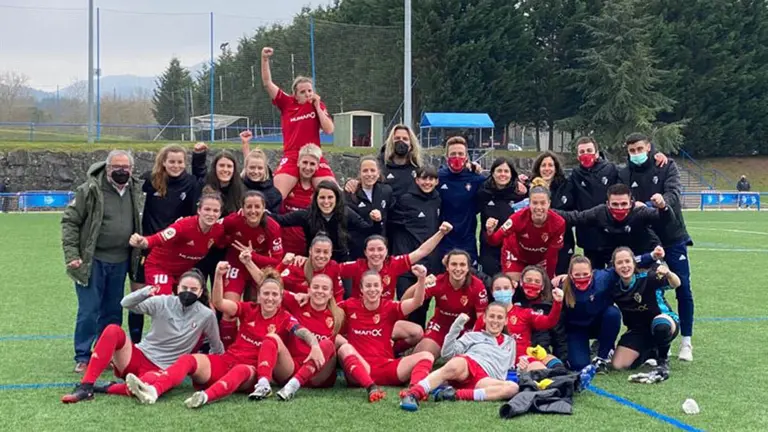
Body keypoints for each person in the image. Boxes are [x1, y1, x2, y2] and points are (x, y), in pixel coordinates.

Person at [125, 263, 325, 408]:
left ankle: (205, 397)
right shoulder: (249, 308)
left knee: (241, 369)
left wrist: (314, 344)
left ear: (281, 298)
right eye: (266, 293)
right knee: (189, 360)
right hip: (228, 360)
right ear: (258, 294)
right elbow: (220, 303)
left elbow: (302, 331)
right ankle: (154, 391)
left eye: (274, 295)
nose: (270, 298)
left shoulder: (284, 317)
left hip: (251, 371)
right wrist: (219, 276)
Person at [60, 269, 224, 403]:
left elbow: (216, 347)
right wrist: (145, 292)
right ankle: (86, 386)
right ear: (177, 287)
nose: (188, 292)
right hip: (138, 356)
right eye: (184, 288)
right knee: (112, 330)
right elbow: (126, 304)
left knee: (148, 386)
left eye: (193, 290)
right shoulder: (162, 301)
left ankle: (104, 387)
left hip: (164, 369)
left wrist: (218, 372)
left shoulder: (206, 315)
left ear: (201, 291)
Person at [61, 150, 143, 373]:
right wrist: (72, 255)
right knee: (89, 310)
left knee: (112, 312)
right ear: (107, 168)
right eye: (116, 167)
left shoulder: (136, 190)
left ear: (132, 169)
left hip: (121, 261)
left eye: (126, 167)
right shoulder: (89, 190)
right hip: (92, 260)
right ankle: (83, 356)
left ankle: (107, 353)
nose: (121, 171)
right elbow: (70, 221)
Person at [619, 133, 695, 361]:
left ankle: (687, 342)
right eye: (632, 151)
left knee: (682, 288)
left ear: (649, 147)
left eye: (639, 149)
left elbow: (673, 193)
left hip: (672, 236)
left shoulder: (666, 165)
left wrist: (659, 202)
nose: (636, 154)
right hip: (645, 241)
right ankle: (659, 339)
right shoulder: (625, 172)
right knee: (647, 289)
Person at [340, 228, 452, 354]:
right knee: (338, 335)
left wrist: (441, 232)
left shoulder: (393, 264)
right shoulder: (356, 266)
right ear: (365, 252)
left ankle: (390, 351)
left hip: (384, 319)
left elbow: (421, 251)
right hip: (359, 320)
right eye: (371, 250)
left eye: (380, 249)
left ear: (386, 251)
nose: (376, 253)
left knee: (417, 332)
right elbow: (330, 270)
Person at [129, 144, 200, 343]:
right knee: (139, 295)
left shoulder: (191, 183)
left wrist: (199, 157)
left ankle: (172, 342)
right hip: (146, 247)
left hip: (174, 250)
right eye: (172, 162)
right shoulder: (148, 181)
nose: (176, 166)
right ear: (163, 162)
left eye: (180, 162)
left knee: (172, 299)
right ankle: (135, 343)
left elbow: (194, 214)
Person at [555, 249, 663, 372]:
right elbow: (555, 318)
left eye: (585, 274)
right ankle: (583, 350)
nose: (582, 278)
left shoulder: (602, 278)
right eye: (577, 275)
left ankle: (602, 356)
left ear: (592, 272)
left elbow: (627, 264)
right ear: (570, 275)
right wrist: (560, 351)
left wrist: (652, 256)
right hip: (576, 329)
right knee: (579, 365)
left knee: (613, 313)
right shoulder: (562, 288)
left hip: (598, 324)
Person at [567, 136, 667, 268]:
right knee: (596, 281)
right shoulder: (574, 175)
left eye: (589, 150)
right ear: (577, 155)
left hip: (614, 235)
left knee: (617, 275)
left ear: (596, 152)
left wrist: (654, 155)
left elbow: (633, 172)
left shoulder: (611, 169)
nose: (586, 154)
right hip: (589, 239)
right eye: (582, 152)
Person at [336, 267, 434, 399]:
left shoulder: (389, 307)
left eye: (376, 285)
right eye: (368, 286)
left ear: (382, 288)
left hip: (386, 366)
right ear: (361, 289)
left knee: (427, 356)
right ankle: (371, 387)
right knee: (344, 348)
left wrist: (421, 279)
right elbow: (327, 310)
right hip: (361, 368)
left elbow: (417, 302)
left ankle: (414, 390)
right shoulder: (349, 305)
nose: (372, 289)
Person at [399, 304, 519, 411]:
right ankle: (413, 394)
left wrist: (522, 369)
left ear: (506, 321)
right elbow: (447, 354)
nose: (495, 321)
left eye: (499, 317)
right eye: (492, 316)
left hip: (486, 379)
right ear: (484, 318)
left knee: (512, 388)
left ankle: (453, 394)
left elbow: (510, 368)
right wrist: (456, 326)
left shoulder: (511, 343)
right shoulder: (473, 336)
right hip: (469, 365)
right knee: (457, 364)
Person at [261, 46, 336, 198]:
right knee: (274, 196)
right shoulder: (287, 103)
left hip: (314, 155)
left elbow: (329, 130)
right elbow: (267, 83)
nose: (307, 94)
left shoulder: (317, 105)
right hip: (293, 155)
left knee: (333, 193)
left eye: (310, 90)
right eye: (303, 92)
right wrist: (265, 59)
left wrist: (317, 108)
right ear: (295, 94)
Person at [217, 191, 284, 347]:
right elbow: (217, 237)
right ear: (242, 208)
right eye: (249, 207)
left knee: (256, 310)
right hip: (235, 266)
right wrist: (227, 240)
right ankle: (227, 349)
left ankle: (251, 345)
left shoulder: (272, 227)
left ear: (264, 208)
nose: (253, 211)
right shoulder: (232, 221)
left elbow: (276, 260)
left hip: (257, 269)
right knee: (230, 310)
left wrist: (253, 256)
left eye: (257, 207)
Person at [128, 193, 225, 295]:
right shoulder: (184, 225)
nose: (211, 214)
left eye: (215, 211)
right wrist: (143, 241)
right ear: (199, 210)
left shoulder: (218, 230)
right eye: (207, 209)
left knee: (193, 302)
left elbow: (228, 233)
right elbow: (158, 238)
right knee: (164, 301)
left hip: (183, 273)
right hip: (160, 267)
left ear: (220, 213)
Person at [609, 247, 681, 383]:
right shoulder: (614, 287)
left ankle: (662, 361)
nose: (624, 266)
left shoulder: (648, 277)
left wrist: (669, 273)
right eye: (620, 263)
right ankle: (650, 351)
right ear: (614, 266)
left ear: (634, 263)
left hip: (664, 321)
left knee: (660, 326)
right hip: (638, 330)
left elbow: (677, 283)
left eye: (627, 261)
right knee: (618, 365)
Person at [555, 184, 675, 264]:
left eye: (624, 204)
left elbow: (665, 219)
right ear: (608, 204)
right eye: (615, 204)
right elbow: (575, 218)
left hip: (644, 257)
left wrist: (663, 206)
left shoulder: (640, 212)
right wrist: (547, 212)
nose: (620, 208)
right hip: (616, 262)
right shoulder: (600, 212)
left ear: (631, 202)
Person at [403, 250, 489, 359]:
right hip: (441, 328)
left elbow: (481, 319)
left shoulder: (477, 286)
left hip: (465, 330)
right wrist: (420, 282)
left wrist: (475, 340)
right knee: (421, 356)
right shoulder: (438, 281)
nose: (458, 269)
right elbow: (405, 300)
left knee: (465, 364)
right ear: (447, 267)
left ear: (468, 268)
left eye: (462, 265)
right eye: (454, 264)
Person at [474, 267, 564, 371]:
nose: (502, 292)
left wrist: (557, 303)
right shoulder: (485, 317)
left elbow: (549, 322)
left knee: (540, 370)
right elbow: (474, 341)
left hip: (523, 361)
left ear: (512, 290)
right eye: (498, 289)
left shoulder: (525, 313)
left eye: (506, 288)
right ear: (492, 292)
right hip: (493, 361)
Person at [273, 274, 344, 400]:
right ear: (308, 290)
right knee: (272, 338)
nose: (320, 291)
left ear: (331, 293)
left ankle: (293, 385)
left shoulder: (339, 314)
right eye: (315, 287)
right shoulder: (297, 302)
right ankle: (268, 384)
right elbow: (269, 287)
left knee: (329, 344)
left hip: (319, 376)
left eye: (324, 288)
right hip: (292, 368)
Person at [272, 180, 381, 263]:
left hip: (340, 263)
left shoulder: (346, 213)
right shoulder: (307, 214)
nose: (326, 202)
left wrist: (376, 221)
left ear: (336, 199)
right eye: (322, 198)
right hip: (315, 262)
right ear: (316, 199)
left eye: (330, 197)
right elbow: (280, 220)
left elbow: (368, 231)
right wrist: (260, 212)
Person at [388, 166, 442, 326]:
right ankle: (401, 342)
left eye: (431, 179)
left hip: (429, 263)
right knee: (406, 305)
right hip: (408, 264)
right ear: (417, 180)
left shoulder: (437, 200)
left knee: (423, 306)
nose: (427, 182)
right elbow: (391, 225)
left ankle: (416, 342)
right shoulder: (405, 200)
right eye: (424, 178)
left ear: (436, 181)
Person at [485, 178, 566, 280]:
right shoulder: (517, 218)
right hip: (516, 255)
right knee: (516, 285)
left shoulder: (558, 223)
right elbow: (494, 241)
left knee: (539, 285)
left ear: (549, 203)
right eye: (535, 203)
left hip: (540, 259)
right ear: (529, 203)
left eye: (543, 203)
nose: (539, 207)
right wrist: (490, 231)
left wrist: (548, 280)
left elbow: (552, 256)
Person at [437, 136, 488, 264]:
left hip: (468, 240)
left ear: (466, 157)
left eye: (460, 154)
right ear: (446, 157)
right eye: (453, 154)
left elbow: (498, 185)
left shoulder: (477, 179)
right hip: (443, 240)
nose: (457, 157)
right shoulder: (438, 178)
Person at [476, 157, 527, 276]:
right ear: (492, 173)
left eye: (506, 171)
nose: (502, 174)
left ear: (511, 174)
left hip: (513, 250)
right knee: (490, 284)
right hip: (488, 250)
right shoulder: (483, 191)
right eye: (499, 171)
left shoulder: (521, 193)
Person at [531, 151, 575, 275]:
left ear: (556, 168)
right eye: (543, 165)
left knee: (561, 279)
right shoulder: (529, 187)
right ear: (538, 168)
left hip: (564, 242)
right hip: (537, 243)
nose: (547, 169)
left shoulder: (567, 186)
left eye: (550, 165)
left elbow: (573, 212)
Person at [512, 265, 568, 361]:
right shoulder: (511, 299)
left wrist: (562, 359)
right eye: (528, 280)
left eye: (537, 282)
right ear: (521, 282)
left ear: (543, 286)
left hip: (540, 350)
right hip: (515, 349)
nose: (532, 284)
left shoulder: (549, 306)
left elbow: (559, 336)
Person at [344, 156, 395, 260]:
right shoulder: (350, 193)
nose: (369, 174)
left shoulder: (386, 191)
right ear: (359, 173)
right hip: (358, 250)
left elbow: (390, 219)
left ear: (378, 172)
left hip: (380, 249)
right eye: (365, 171)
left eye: (372, 170)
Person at [276, 235, 345, 302]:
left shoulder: (333, 266)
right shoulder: (297, 265)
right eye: (317, 251)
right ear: (310, 251)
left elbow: (338, 294)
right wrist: (283, 264)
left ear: (331, 254)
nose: (321, 255)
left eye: (326, 252)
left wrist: (337, 311)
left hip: (324, 311)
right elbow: (272, 281)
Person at [280, 144, 321, 255]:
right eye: (305, 162)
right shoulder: (286, 184)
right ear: (298, 162)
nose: (307, 167)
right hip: (285, 249)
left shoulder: (320, 191)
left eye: (312, 164)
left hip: (308, 250)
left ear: (318, 166)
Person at [239, 130, 283, 213]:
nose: (255, 171)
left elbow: (276, 219)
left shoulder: (274, 194)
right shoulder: (238, 187)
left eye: (260, 168)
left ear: (265, 169)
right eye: (252, 167)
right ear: (246, 168)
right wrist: (245, 143)